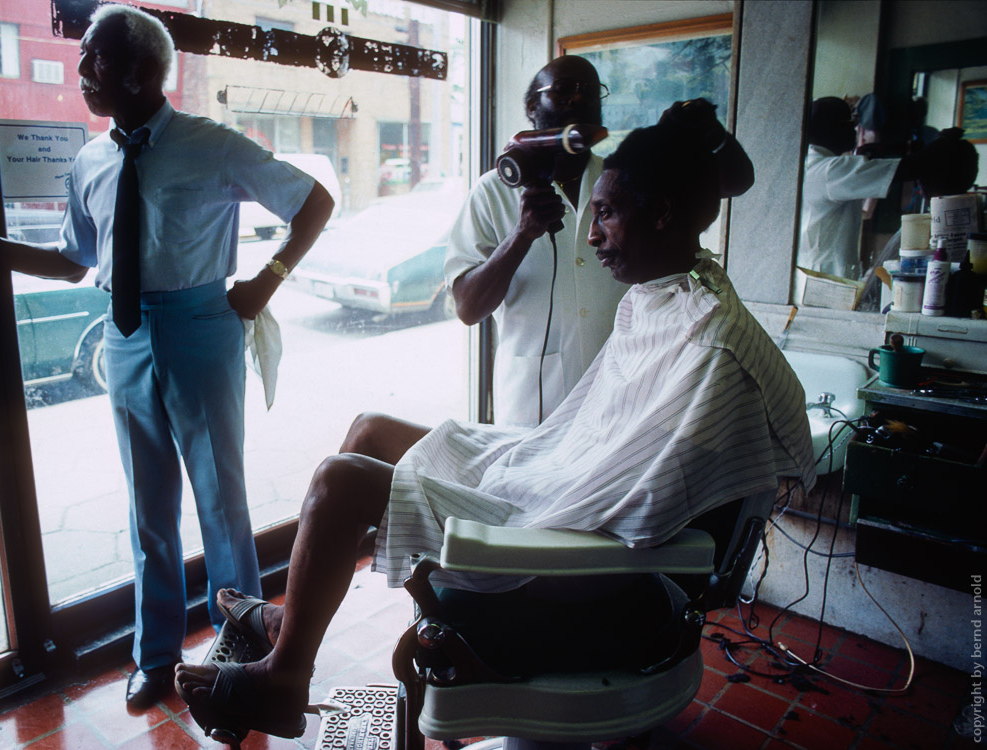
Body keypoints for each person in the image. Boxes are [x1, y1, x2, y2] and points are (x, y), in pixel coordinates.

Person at [173, 120, 815, 742]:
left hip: (574, 549)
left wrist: (532, 486)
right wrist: (533, 462)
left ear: (665, 214)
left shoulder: (711, 346)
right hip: (556, 475)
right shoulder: (663, 295)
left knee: (339, 482)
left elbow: (645, 501)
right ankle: (292, 625)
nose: (591, 235)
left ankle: (285, 677)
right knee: (369, 429)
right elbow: (595, 434)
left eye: (607, 215)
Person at [0, 5, 335, 709]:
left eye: (93, 60)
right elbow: (70, 261)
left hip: (203, 325)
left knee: (220, 501)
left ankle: (246, 651)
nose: (80, 73)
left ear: (139, 70)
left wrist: (268, 278)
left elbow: (312, 201)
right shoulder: (91, 160)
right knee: (147, 506)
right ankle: (155, 654)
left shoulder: (211, 144)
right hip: (125, 336)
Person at [444, 55, 753, 427]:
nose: (577, 99)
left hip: (624, 394)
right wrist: (521, 235)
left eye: (589, 92)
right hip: (533, 403)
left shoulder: (620, 179)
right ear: (531, 107)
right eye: (562, 91)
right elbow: (467, 308)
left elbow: (736, 182)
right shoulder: (493, 191)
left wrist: (711, 133)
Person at [798, 96, 978, 280]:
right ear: (831, 129)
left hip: (820, 273)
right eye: (851, 124)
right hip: (824, 277)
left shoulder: (812, 165)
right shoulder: (831, 171)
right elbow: (910, 167)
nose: (855, 130)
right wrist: (944, 141)